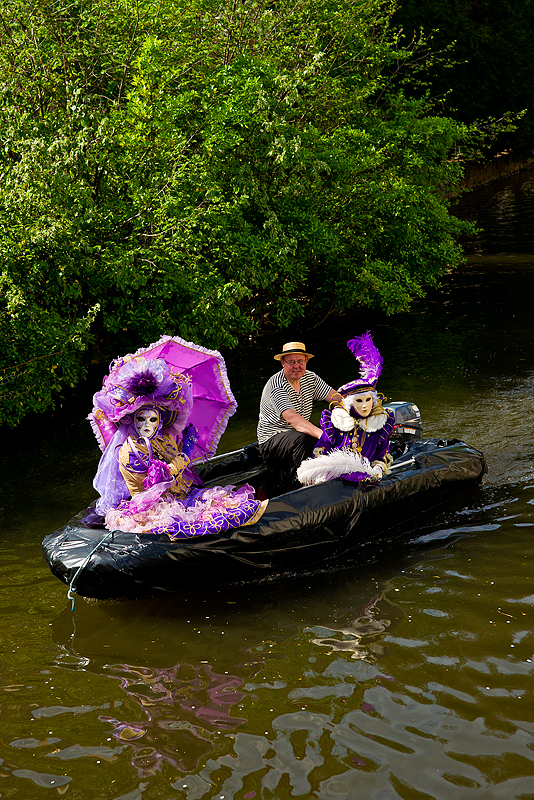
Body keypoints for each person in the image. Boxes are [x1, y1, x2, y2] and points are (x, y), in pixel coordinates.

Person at [89, 353, 266, 539]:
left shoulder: (163, 438)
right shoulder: (131, 450)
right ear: (131, 420)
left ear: (160, 421)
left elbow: (175, 465)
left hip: (180, 494)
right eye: (141, 419)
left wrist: (183, 444)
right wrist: (185, 453)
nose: (147, 425)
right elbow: (156, 485)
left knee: (230, 503)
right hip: (154, 505)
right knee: (215, 514)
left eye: (153, 419)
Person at [297, 332, 395, 485]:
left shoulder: (381, 424)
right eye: (359, 401)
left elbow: (382, 455)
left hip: (367, 478)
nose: (364, 405)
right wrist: (322, 471)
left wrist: (377, 469)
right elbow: (322, 449)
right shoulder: (336, 421)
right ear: (350, 404)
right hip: (336, 477)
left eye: (368, 400)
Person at [257, 341, 344, 489]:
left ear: (306, 361)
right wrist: (323, 435)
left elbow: (335, 398)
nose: (296, 366)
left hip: (296, 434)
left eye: (300, 361)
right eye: (291, 362)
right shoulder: (276, 385)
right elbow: (292, 419)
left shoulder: (310, 378)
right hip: (271, 441)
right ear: (282, 363)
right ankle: (302, 485)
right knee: (305, 438)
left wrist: (358, 409)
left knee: (334, 427)